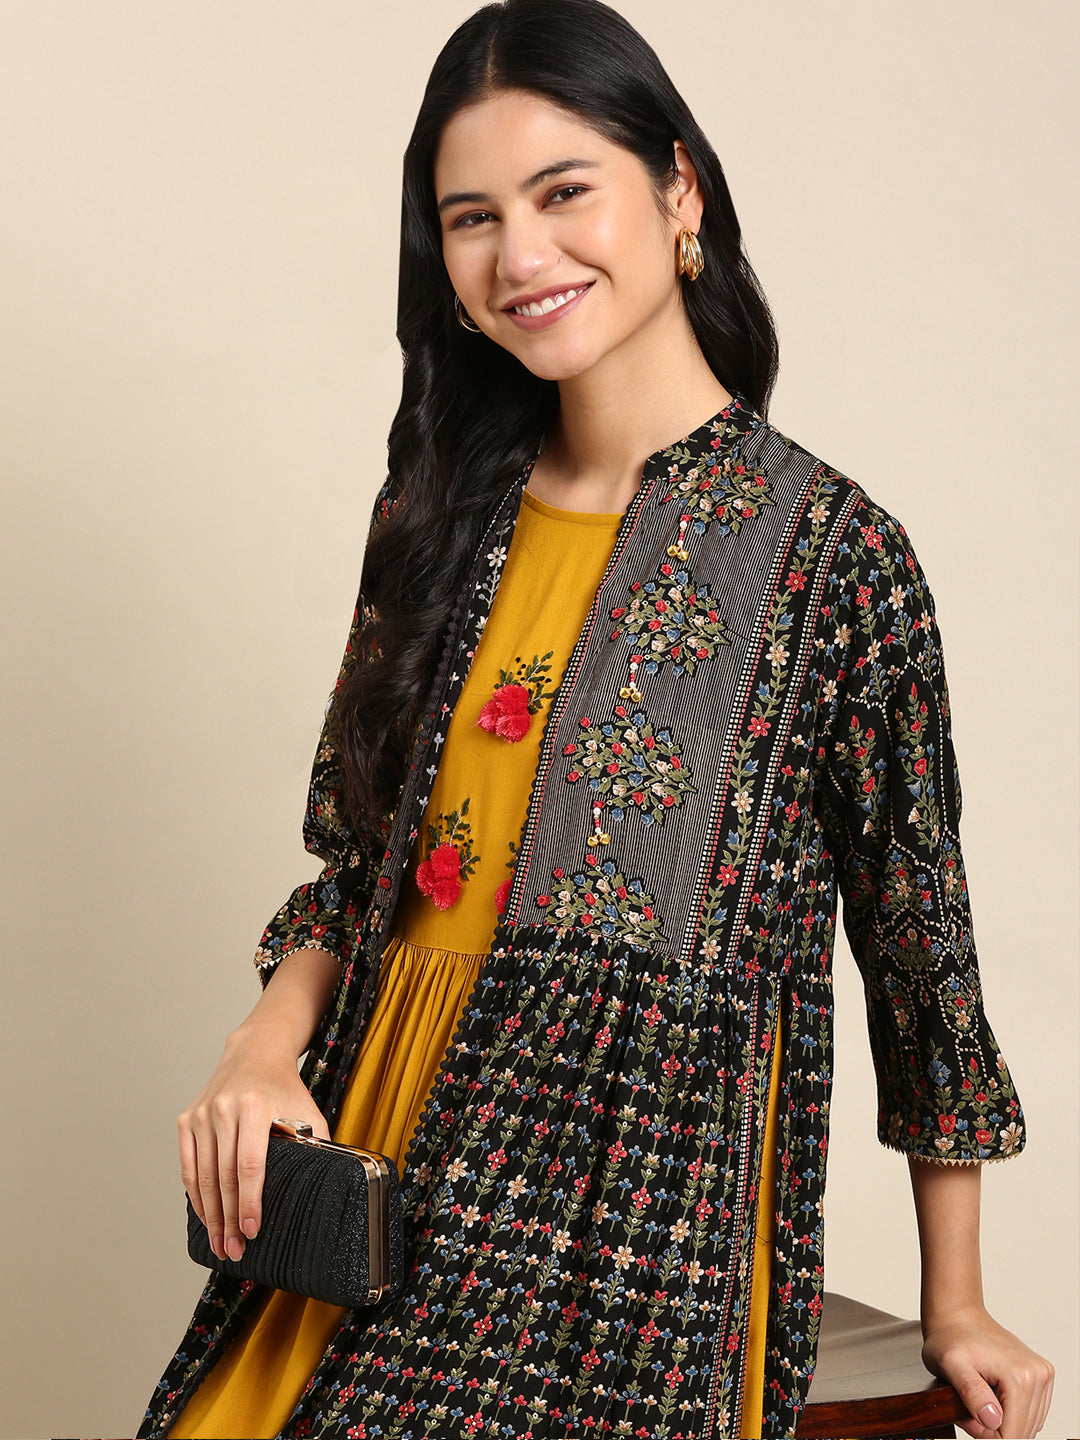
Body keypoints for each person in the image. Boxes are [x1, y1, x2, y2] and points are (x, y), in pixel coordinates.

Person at [138, 2, 1054, 1436]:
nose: (521, 256)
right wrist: (261, 1046)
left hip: (628, 1222)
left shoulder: (831, 556)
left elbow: (920, 951)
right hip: (370, 1156)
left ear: (678, 189)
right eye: (472, 218)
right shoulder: (434, 516)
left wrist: (958, 1302)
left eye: (563, 191)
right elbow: (354, 866)